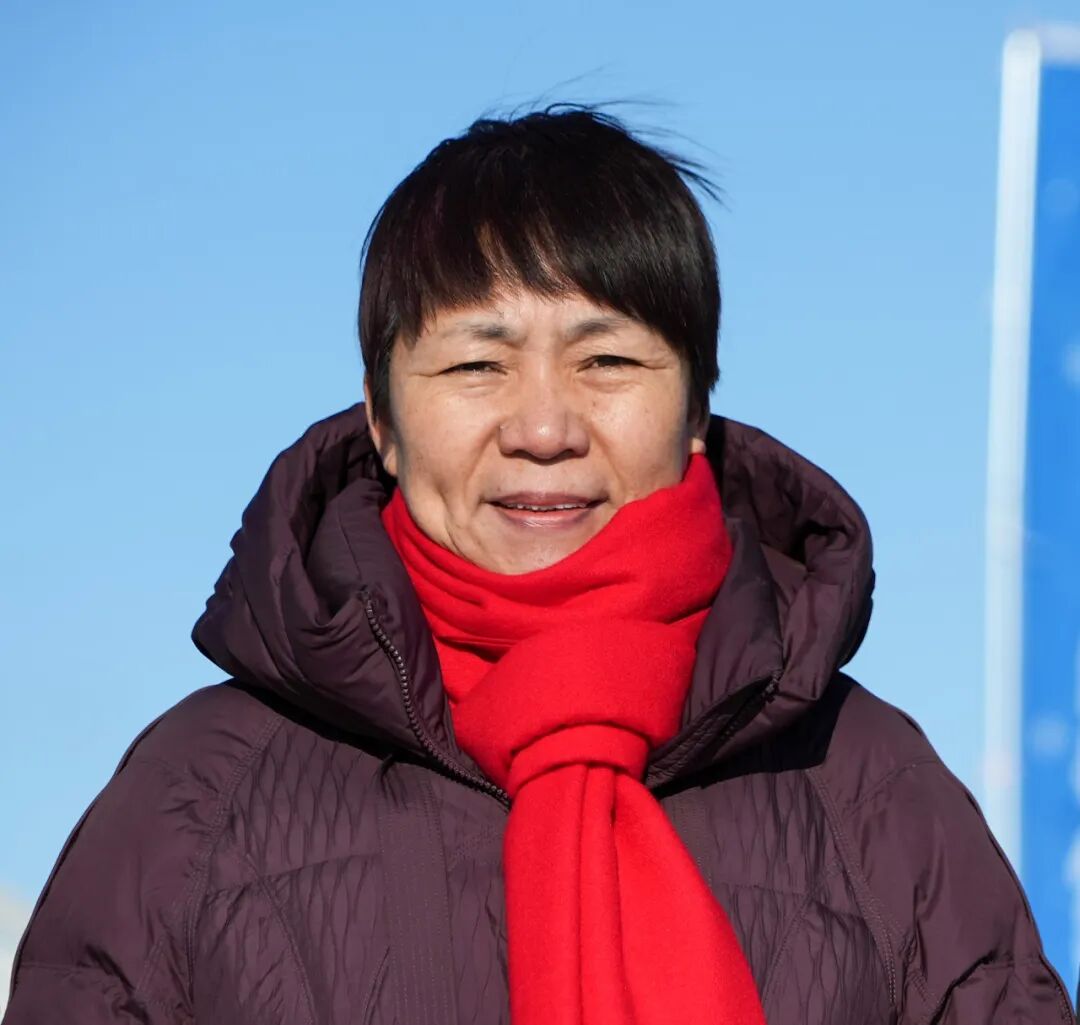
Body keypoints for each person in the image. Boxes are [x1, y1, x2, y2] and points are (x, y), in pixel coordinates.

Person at [3, 105, 1074, 1025]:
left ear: (696, 407)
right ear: (381, 419)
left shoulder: (869, 787)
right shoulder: (198, 795)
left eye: (607, 359)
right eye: (478, 364)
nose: (545, 428)